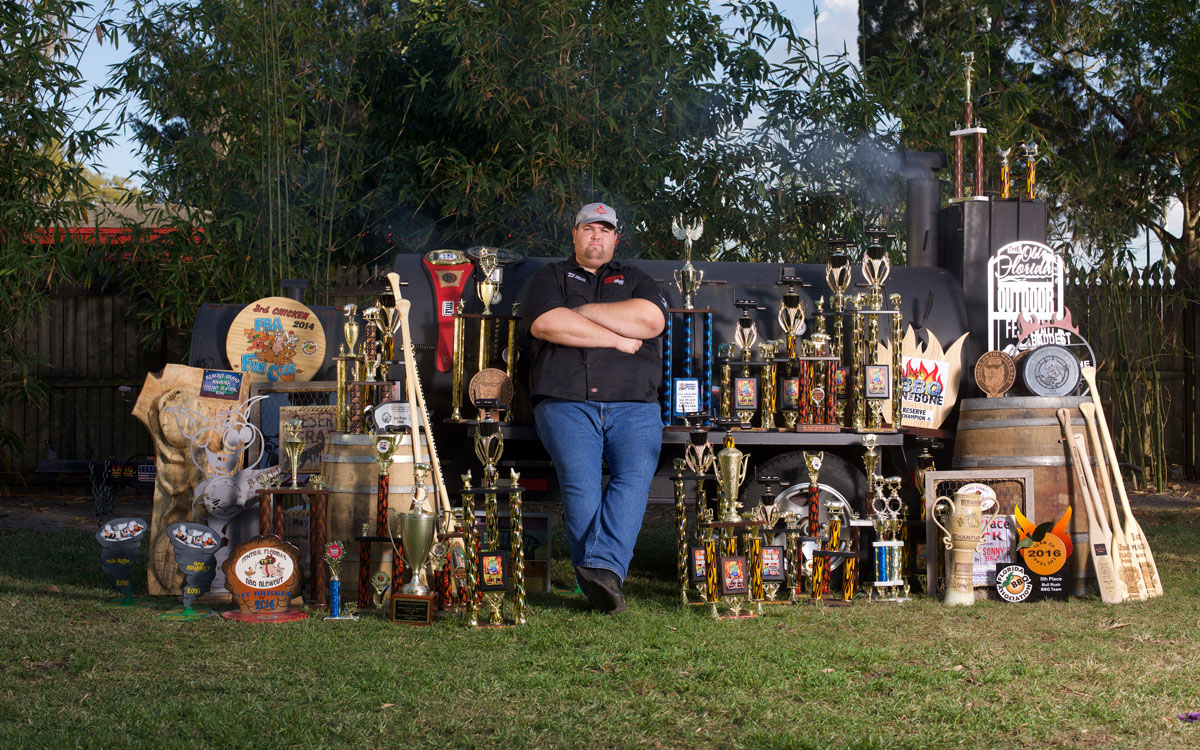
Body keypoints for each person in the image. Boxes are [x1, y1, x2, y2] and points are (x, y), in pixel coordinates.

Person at [521, 202, 667, 614]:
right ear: (575, 234)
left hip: (634, 404)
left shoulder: (637, 278)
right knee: (580, 484)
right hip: (566, 401)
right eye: (589, 229)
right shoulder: (549, 277)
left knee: (635, 476)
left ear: (616, 238)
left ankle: (599, 573)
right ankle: (604, 579)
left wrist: (581, 315)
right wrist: (618, 338)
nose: (596, 236)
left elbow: (651, 320)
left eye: (605, 230)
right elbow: (547, 324)